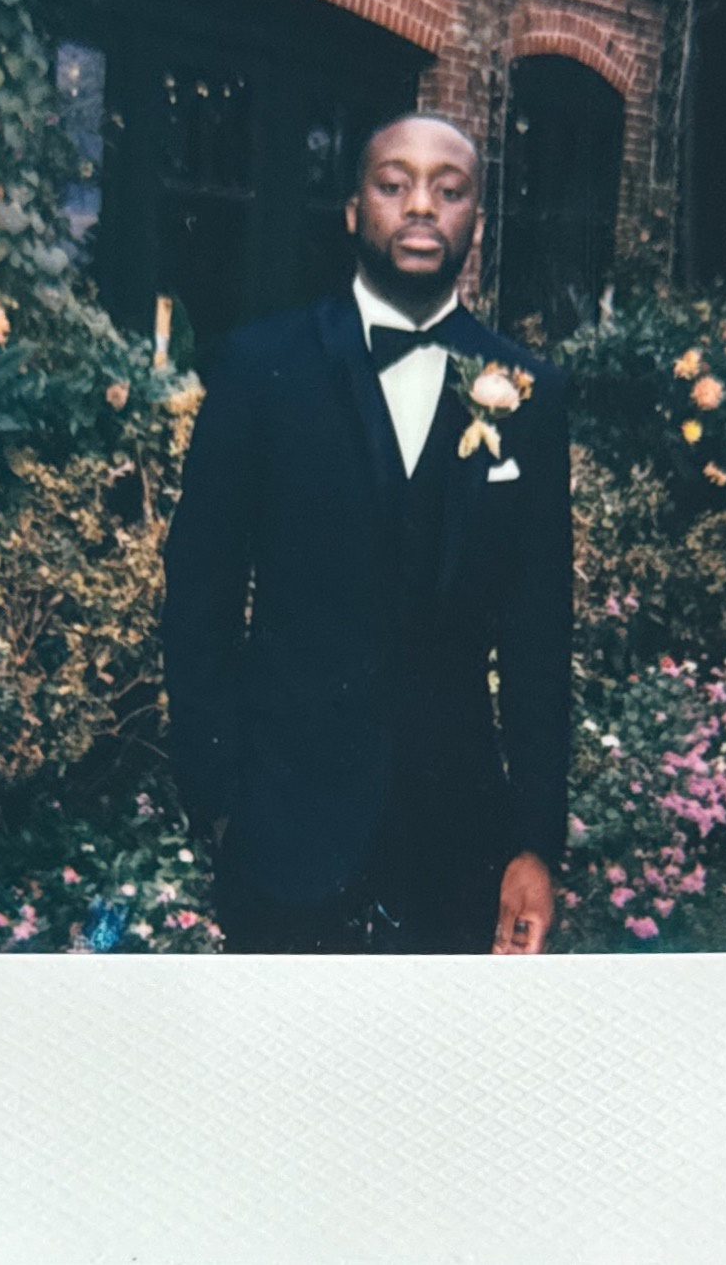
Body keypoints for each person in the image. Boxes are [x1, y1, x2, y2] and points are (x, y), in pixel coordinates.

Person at [161, 113, 571, 953]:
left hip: (460, 842)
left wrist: (534, 841)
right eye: (394, 184)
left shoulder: (530, 393)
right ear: (352, 210)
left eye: (448, 190)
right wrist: (219, 800)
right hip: (282, 835)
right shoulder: (258, 368)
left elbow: (538, 636)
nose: (421, 206)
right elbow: (198, 598)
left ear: (477, 226)